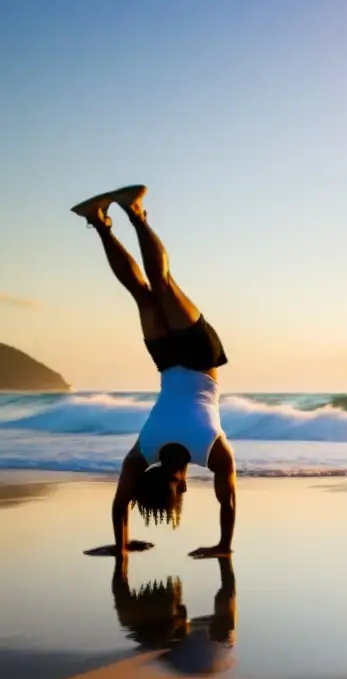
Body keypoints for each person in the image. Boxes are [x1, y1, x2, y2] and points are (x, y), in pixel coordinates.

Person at [72, 185, 236, 559]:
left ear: (176, 482)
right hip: (164, 359)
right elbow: (120, 504)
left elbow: (228, 503)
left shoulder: (212, 451)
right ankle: (99, 222)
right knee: (143, 293)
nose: (185, 491)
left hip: (198, 356)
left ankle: (135, 212)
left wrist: (224, 547)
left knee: (161, 287)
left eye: (179, 490)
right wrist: (121, 545)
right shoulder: (142, 453)